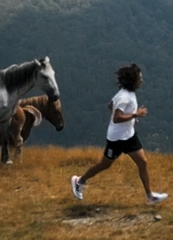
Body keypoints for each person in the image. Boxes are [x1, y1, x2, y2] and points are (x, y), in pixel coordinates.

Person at [71, 63, 167, 204]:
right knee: (105, 164)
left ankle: (150, 196)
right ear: (133, 80)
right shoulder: (124, 97)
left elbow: (110, 105)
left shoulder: (127, 94)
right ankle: (79, 181)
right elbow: (116, 118)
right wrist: (135, 115)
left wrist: (130, 118)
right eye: (140, 78)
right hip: (116, 139)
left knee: (143, 162)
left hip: (129, 136)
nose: (142, 81)